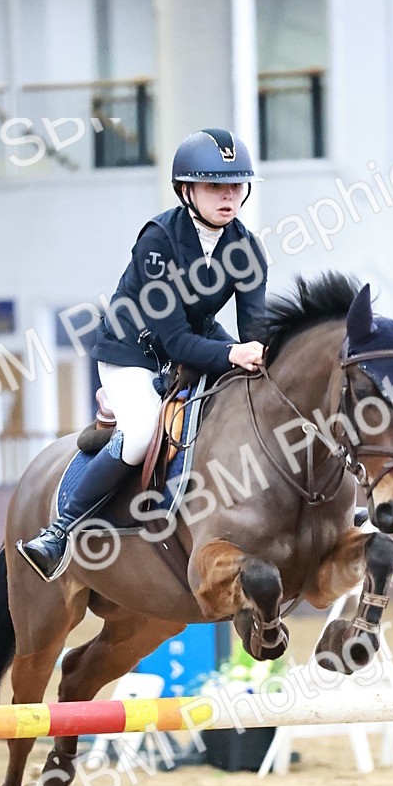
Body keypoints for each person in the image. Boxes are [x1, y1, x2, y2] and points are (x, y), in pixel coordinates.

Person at [18, 127, 268, 581]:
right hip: (133, 349)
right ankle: (60, 531)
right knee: (141, 433)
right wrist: (233, 353)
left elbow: (256, 332)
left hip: (194, 343)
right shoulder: (159, 241)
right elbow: (174, 341)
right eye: (215, 185)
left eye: (235, 185)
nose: (228, 196)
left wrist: (261, 358)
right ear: (186, 190)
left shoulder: (246, 248)